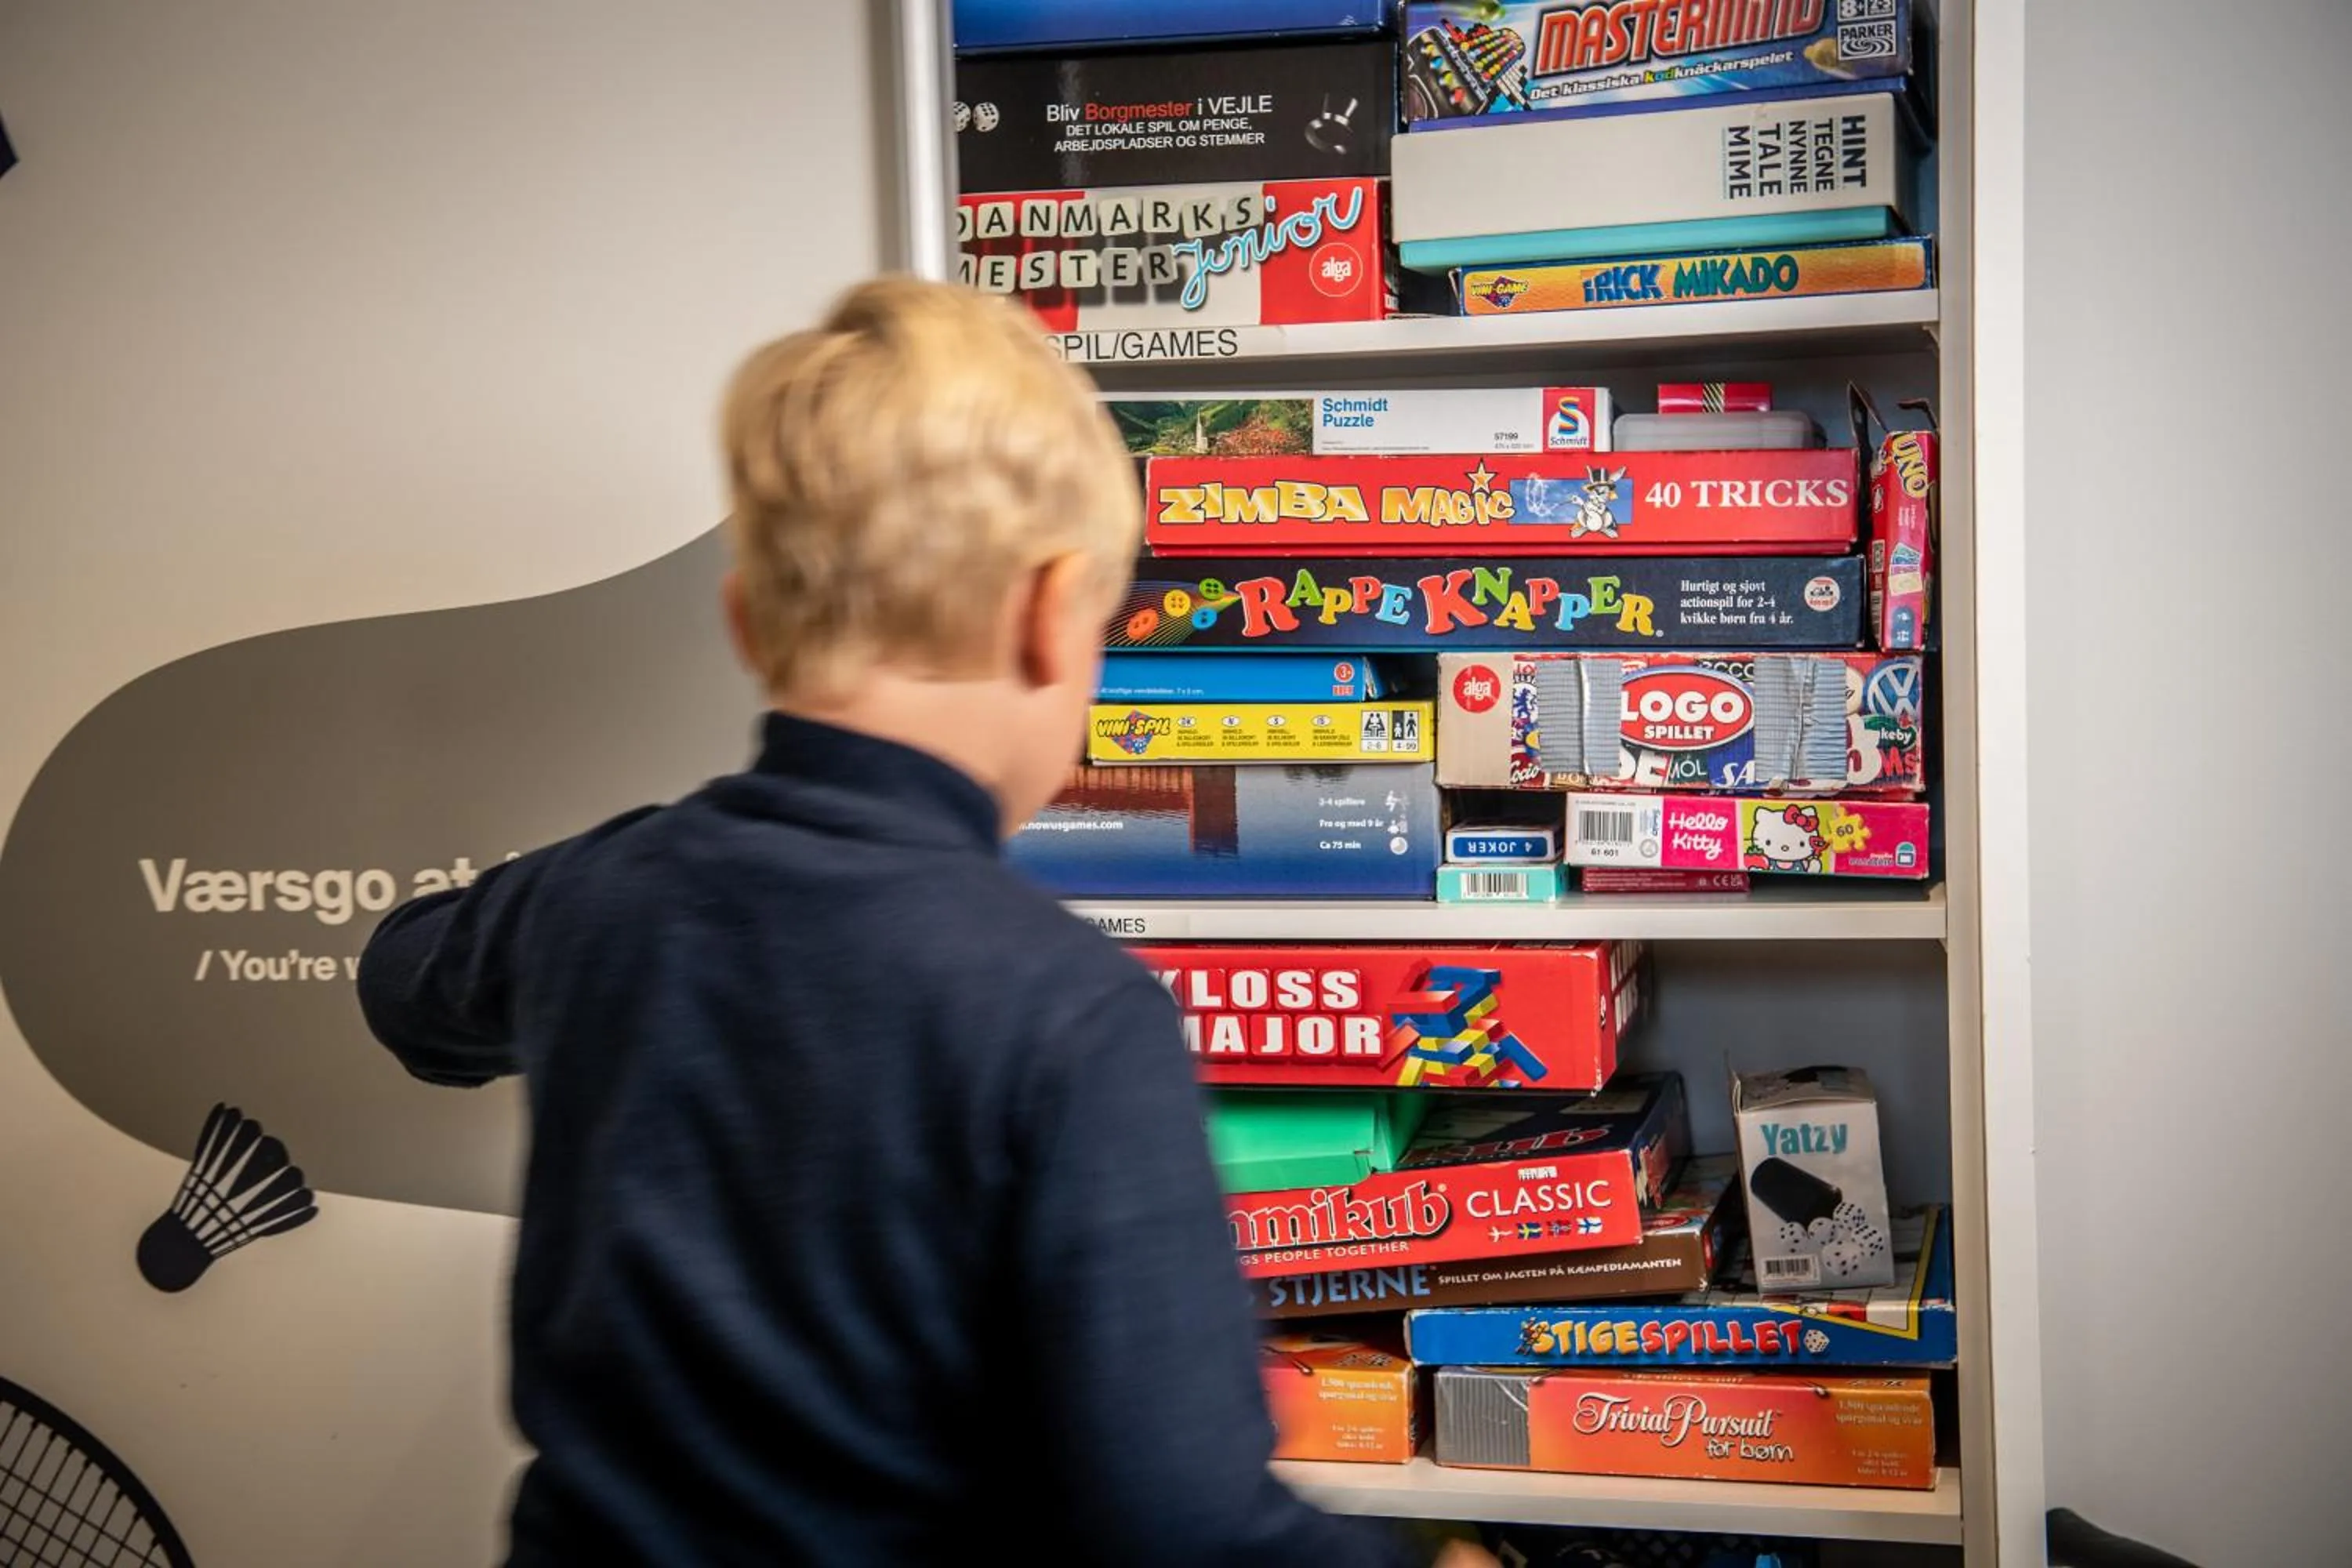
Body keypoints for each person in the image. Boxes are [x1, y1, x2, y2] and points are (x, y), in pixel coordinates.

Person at [358, 278, 1488, 1567]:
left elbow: (400, 981)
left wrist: (563, 925)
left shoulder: (599, 899)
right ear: (1042, 613)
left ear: (746, 624)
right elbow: (1186, 1531)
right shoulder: (1069, 1012)